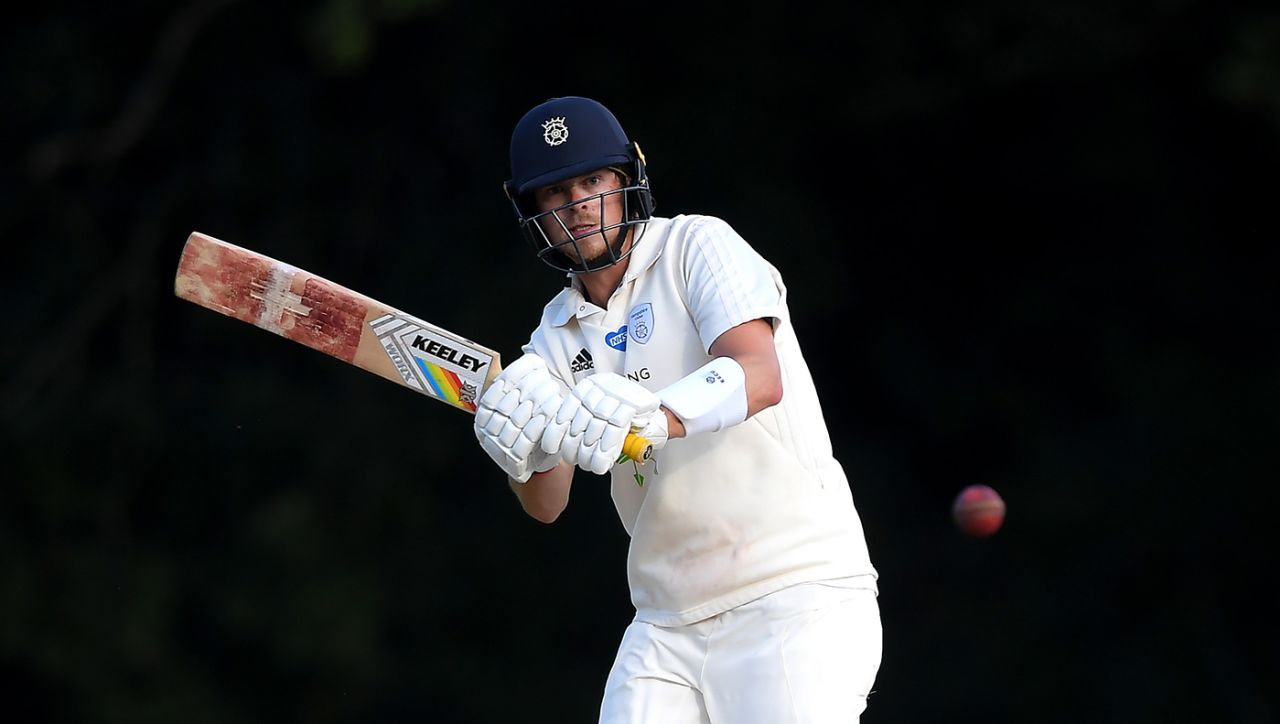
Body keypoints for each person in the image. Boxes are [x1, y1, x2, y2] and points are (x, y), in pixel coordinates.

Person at [473, 96, 882, 723]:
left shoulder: (697, 246)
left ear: (626, 178)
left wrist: (650, 418)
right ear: (532, 212)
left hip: (795, 593)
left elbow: (758, 375)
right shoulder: (553, 337)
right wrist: (523, 452)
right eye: (555, 193)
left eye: (593, 181)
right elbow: (547, 504)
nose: (579, 204)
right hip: (664, 622)